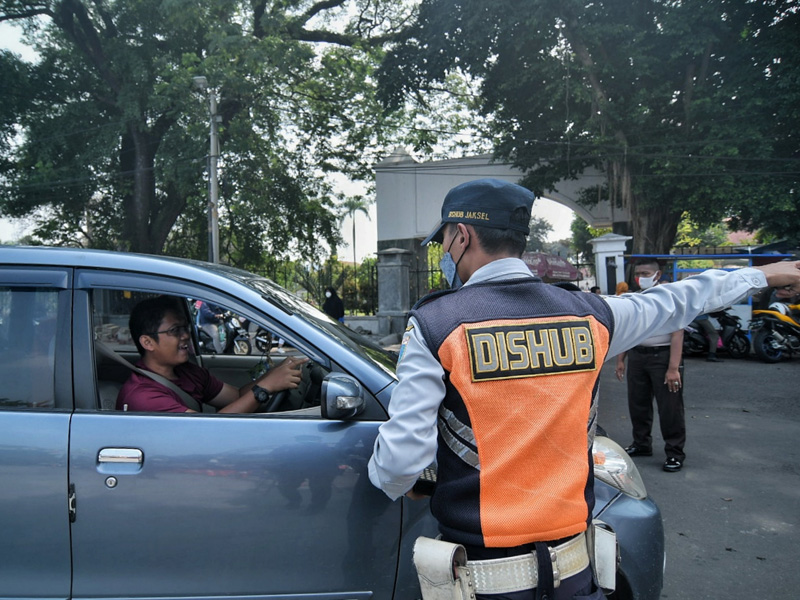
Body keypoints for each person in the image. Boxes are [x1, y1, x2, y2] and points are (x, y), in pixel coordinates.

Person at [366, 177, 800, 600]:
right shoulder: (591, 314)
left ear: (461, 235)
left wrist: (388, 479)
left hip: (485, 579)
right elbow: (679, 300)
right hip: (575, 572)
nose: (444, 252)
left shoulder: (435, 325)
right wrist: (761, 276)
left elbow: (402, 462)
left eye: (444, 241)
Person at [117, 296, 307, 413]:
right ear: (147, 342)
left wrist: (273, 376)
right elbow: (205, 432)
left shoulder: (188, 372)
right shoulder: (144, 396)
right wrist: (265, 388)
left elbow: (236, 397)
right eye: (175, 330)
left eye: (186, 328)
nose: (186, 335)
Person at [614, 258, 687, 474]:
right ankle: (641, 443)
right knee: (638, 403)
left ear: (657, 274)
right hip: (638, 355)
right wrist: (620, 360)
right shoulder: (636, 298)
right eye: (638, 274)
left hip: (663, 358)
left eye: (646, 273)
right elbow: (627, 330)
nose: (641, 277)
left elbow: (677, 333)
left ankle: (674, 453)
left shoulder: (670, 298)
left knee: (670, 407)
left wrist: (673, 368)